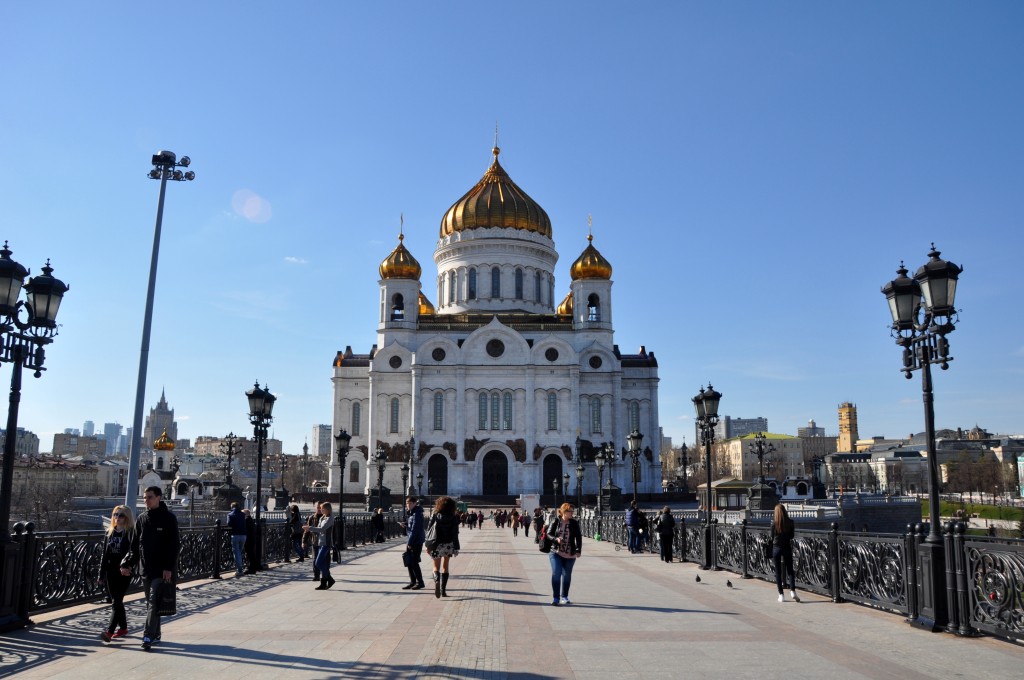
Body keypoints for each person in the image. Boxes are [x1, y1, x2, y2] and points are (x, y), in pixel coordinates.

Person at [126, 486, 179, 651]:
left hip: (162, 570)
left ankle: (147, 635)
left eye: (149, 497)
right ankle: (156, 634)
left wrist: (169, 567)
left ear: (159, 498)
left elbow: (174, 545)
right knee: (152, 603)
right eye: (144, 497)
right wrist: (128, 563)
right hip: (146, 570)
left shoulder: (169, 518)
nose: (146, 500)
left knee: (153, 603)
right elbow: (135, 546)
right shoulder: (141, 519)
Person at [100, 505, 138, 642]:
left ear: (127, 517)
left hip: (124, 571)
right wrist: (101, 574)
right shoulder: (109, 532)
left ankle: (109, 632)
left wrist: (128, 566)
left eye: (121, 515)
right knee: (117, 601)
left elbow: (134, 552)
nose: (117, 518)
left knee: (116, 601)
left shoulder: (131, 533)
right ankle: (123, 628)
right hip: (111, 571)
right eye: (115, 514)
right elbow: (104, 555)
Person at [546, 503, 582, 606]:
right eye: (570, 511)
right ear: (564, 512)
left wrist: (578, 549)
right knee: (556, 573)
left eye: (572, 511)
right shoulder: (556, 521)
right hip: (556, 552)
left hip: (570, 553)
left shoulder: (574, 523)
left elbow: (578, 537)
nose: (572, 513)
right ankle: (556, 598)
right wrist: (556, 539)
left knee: (567, 576)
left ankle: (564, 596)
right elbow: (549, 534)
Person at [426, 495, 460, 598]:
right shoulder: (453, 517)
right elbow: (455, 533)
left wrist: (427, 545)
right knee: (445, 566)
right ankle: (443, 591)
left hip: (436, 544)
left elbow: (429, 530)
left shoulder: (435, 514)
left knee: (436, 566)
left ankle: (436, 579)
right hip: (448, 545)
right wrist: (456, 547)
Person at [771, 503, 800, 603]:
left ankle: (781, 595)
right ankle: (792, 591)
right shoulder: (790, 522)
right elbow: (792, 536)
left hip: (776, 548)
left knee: (778, 572)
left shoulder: (774, 523)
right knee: (790, 570)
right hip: (786, 547)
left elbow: (772, 537)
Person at [304, 501, 336, 590]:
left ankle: (330, 579)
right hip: (320, 542)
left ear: (327, 509)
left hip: (326, 543)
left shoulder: (330, 518)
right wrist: (309, 531)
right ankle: (323, 583)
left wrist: (309, 528)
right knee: (324, 564)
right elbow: (318, 529)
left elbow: (322, 529)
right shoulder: (323, 517)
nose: (321, 510)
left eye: (322, 508)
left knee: (318, 563)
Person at [402, 496, 426, 590]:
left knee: (414, 562)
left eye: (410, 503)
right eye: (407, 503)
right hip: (411, 540)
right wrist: (406, 525)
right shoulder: (412, 514)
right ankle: (413, 581)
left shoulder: (417, 514)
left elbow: (415, 530)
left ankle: (420, 582)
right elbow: (412, 527)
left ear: (415, 503)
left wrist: (410, 543)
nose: (408, 505)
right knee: (409, 561)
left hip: (416, 541)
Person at [227, 502, 247, 576]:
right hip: (243, 535)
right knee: (240, 552)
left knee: (237, 553)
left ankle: (240, 570)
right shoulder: (243, 514)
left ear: (232, 507)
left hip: (235, 535)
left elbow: (229, 524)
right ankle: (240, 567)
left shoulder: (230, 515)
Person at [305, 502, 323, 580]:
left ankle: (325, 575)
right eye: (318, 507)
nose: (319, 509)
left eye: (320, 507)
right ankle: (316, 575)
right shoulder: (312, 517)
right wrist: (304, 541)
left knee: (323, 559)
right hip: (315, 541)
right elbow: (307, 530)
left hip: (324, 542)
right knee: (315, 559)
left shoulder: (326, 517)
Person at [243, 508, 258, 574]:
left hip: (248, 539)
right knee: (251, 553)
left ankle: (250, 568)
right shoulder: (251, 520)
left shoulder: (246, 520)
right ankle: (252, 568)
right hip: (252, 539)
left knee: (249, 554)